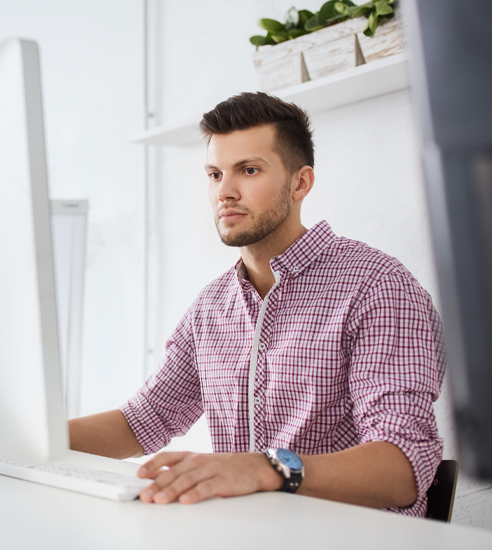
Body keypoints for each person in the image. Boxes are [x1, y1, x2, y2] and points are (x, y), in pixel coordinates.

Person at [69, 92, 446, 517]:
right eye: (215, 174)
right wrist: (30, 443)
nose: (225, 192)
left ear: (300, 183)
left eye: (248, 170)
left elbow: (403, 467)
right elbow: (146, 418)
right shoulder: (211, 307)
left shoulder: (378, 287)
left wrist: (265, 469)